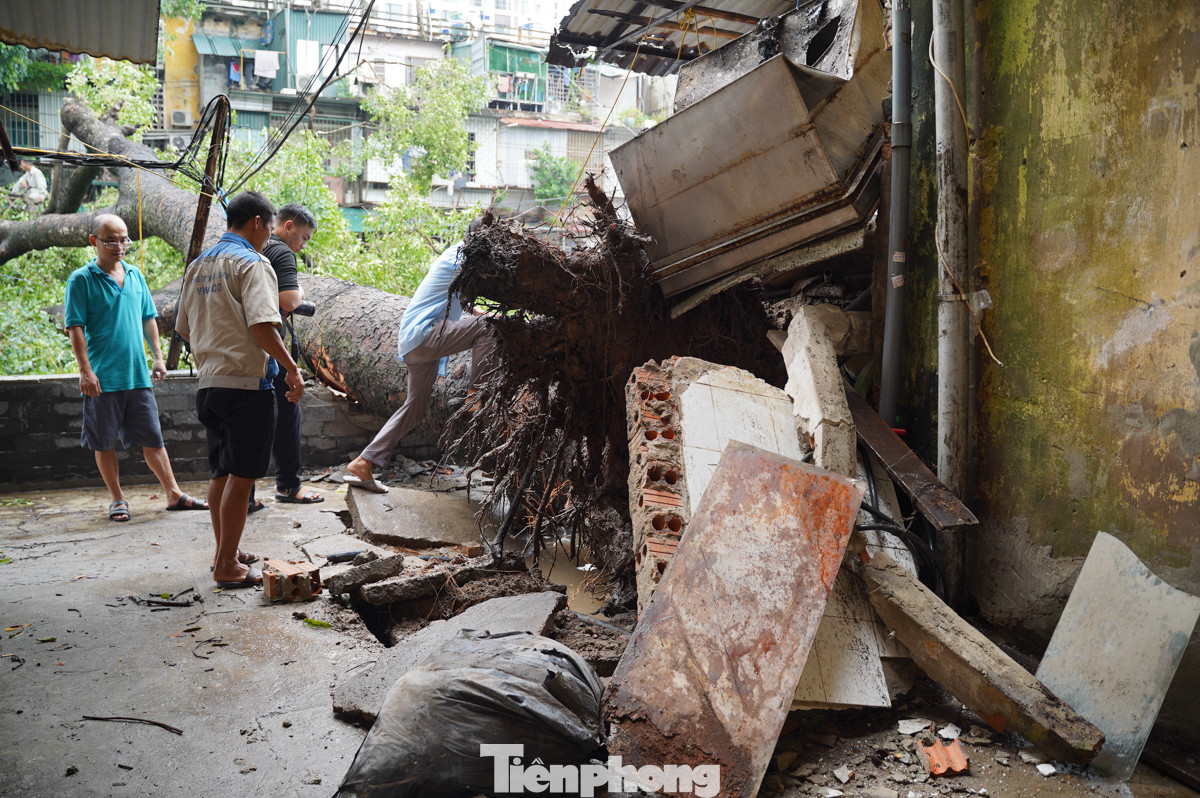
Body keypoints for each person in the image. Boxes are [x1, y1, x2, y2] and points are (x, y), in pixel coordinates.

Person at [175, 191, 305, 588]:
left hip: (209, 386)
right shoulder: (253, 262)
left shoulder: (198, 265)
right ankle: (226, 566)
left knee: (223, 473)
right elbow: (262, 326)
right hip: (247, 386)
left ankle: (224, 552)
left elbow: (182, 329)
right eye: (268, 228)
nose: (268, 237)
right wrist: (291, 369)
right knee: (244, 476)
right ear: (257, 223)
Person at [64, 213, 209, 523]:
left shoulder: (135, 275)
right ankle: (117, 498)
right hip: (102, 376)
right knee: (104, 442)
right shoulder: (81, 280)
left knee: (153, 438)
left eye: (124, 239)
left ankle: (173, 493)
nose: (119, 245)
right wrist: (85, 371)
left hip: (137, 374)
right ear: (94, 242)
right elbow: (74, 327)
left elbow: (148, 319)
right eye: (111, 240)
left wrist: (157, 356)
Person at [344, 230, 495, 494]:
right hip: (424, 335)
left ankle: (363, 462)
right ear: (478, 243)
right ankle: (475, 395)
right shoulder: (460, 257)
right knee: (488, 327)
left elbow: (454, 295)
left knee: (415, 409)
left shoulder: (457, 260)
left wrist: (472, 310)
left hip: (415, 343)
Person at [250, 202, 323, 507]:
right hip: (272, 350)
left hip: (248, 349)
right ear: (288, 226)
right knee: (287, 414)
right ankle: (288, 486)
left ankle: (246, 496)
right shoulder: (281, 251)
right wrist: (302, 293)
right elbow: (290, 300)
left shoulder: (257, 249)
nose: (303, 244)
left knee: (252, 421)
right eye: (304, 237)